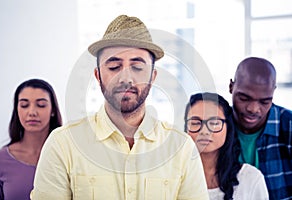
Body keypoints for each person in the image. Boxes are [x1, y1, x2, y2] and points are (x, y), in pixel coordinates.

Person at [30, 15, 209, 200]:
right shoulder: (62, 145)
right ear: (98, 76)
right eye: (114, 67)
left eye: (137, 67)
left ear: (153, 77)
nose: (125, 78)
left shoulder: (181, 147)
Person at [184, 92, 269, 200]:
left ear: (228, 128)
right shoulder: (171, 176)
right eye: (195, 123)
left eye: (214, 123)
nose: (204, 131)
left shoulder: (250, 178)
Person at [229, 57, 292, 199]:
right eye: (244, 98)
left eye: (264, 101)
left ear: (273, 92)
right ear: (231, 87)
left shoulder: (288, 125)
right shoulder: (215, 127)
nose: (253, 109)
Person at [0, 78, 62, 200]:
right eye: (24, 105)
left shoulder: (68, 156)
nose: (32, 112)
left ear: (53, 111)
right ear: (17, 110)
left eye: (41, 105)